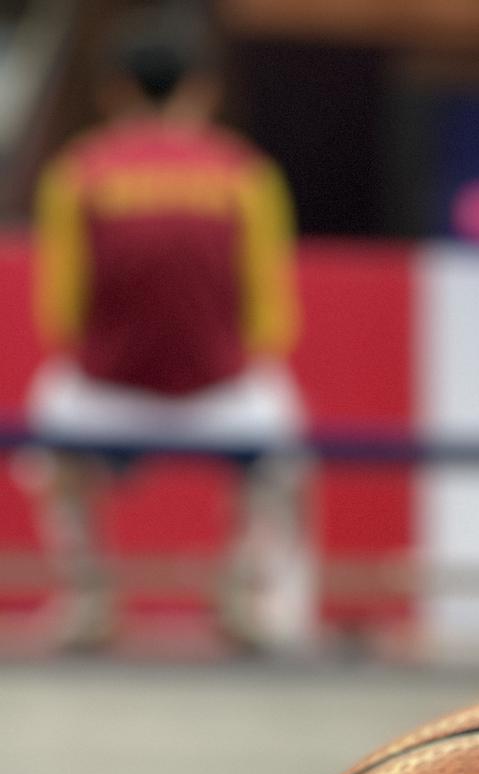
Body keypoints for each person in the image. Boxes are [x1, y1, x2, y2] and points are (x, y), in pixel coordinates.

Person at [26, 10, 314, 651]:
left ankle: (88, 602)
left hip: (104, 396)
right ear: (203, 90)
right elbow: (273, 320)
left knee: (45, 442)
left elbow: (60, 315)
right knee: (286, 456)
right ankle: (252, 605)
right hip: (223, 396)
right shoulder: (245, 174)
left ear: (115, 91)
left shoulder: (77, 173)